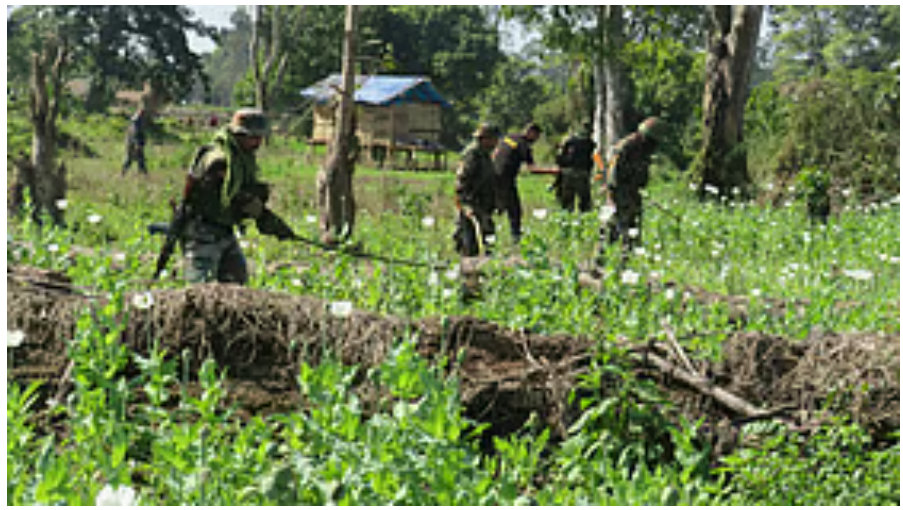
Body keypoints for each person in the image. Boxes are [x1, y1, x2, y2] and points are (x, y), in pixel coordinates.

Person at [179, 108, 286, 284]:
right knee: (200, 287)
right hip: (202, 232)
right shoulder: (220, 160)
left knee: (237, 282)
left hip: (224, 230)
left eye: (260, 137)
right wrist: (265, 218)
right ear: (239, 135)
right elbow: (232, 198)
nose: (258, 142)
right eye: (253, 137)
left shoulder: (241, 158)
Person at [597, 117, 664, 265]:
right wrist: (612, 195)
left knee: (632, 228)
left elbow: (642, 173)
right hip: (618, 191)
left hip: (633, 192)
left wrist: (639, 186)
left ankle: (627, 262)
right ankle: (600, 260)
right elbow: (613, 173)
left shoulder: (644, 149)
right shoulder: (625, 147)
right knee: (613, 226)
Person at [454, 123, 500, 257]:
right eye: (494, 140)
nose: (496, 143)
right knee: (471, 243)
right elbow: (462, 182)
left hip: (484, 205)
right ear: (485, 139)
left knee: (488, 240)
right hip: (472, 205)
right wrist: (465, 205)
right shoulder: (472, 155)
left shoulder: (485, 154)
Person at [493, 122, 542, 243]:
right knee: (514, 210)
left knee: (492, 207)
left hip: (492, 176)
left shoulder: (509, 137)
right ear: (531, 133)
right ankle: (515, 238)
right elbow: (533, 169)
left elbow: (495, 153)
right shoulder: (524, 146)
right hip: (506, 180)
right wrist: (555, 171)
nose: (536, 140)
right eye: (536, 136)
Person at [555, 121, 597, 213]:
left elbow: (559, 157)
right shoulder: (590, 143)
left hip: (568, 172)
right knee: (585, 202)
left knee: (567, 203)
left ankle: (567, 217)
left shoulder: (568, 140)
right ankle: (585, 217)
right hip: (582, 173)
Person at [122, 108, 148, 175]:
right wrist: (137, 145)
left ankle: (143, 175)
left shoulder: (137, 122)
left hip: (135, 143)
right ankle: (123, 173)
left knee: (140, 161)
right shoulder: (136, 123)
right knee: (130, 159)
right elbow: (135, 135)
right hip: (132, 144)